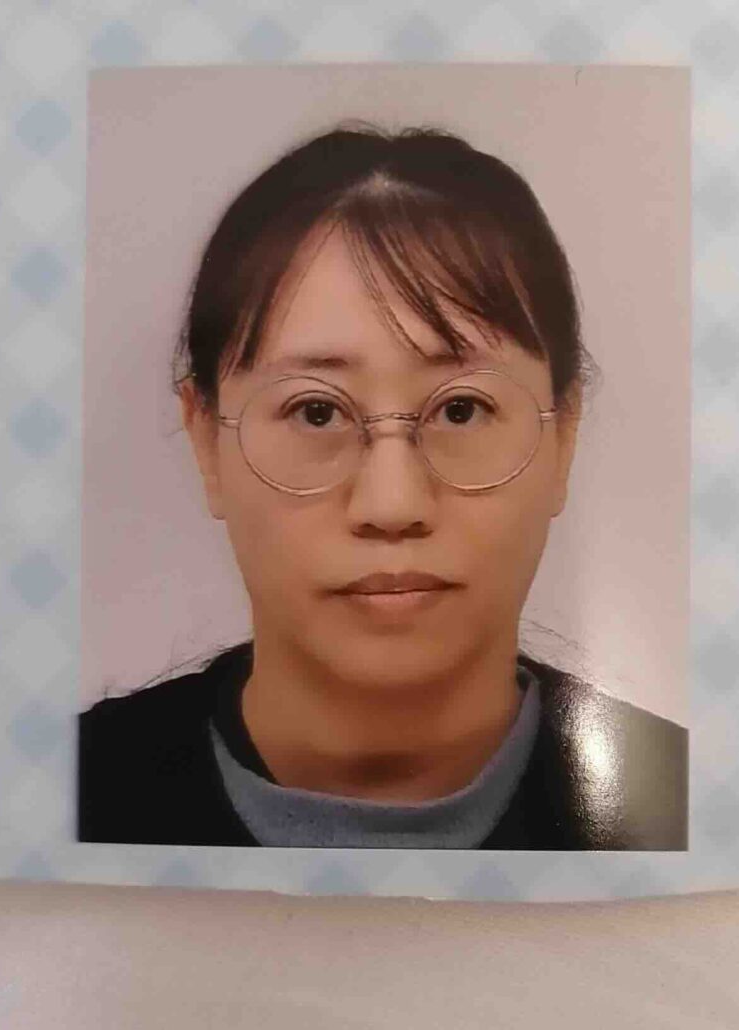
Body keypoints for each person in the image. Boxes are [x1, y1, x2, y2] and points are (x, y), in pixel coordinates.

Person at [78, 120, 687, 850]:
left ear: (566, 435)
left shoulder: (690, 807)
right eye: (316, 411)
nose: (391, 506)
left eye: (461, 409)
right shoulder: (63, 794)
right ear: (207, 440)